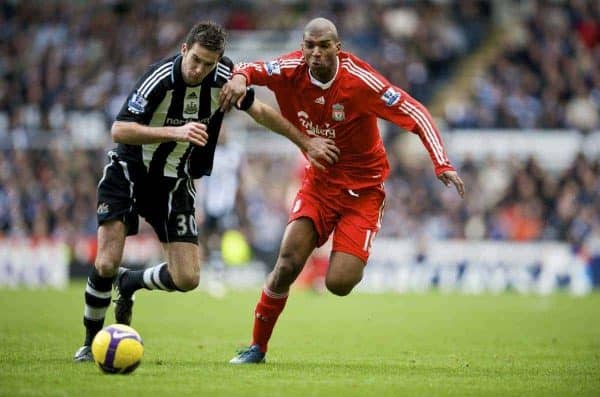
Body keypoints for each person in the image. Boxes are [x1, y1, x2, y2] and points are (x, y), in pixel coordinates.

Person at [73, 21, 340, 362]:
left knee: (187, 278)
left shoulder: (224, 80)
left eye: (208, 63)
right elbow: (119, 129)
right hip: (128, 171)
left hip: (174, 182)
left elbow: (259, 112)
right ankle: (89, 343)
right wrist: (177, 133)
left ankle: (130, 283)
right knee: (107, 260)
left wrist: (305, 143)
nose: (199, 69)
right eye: (195, 59)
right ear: (184, 49)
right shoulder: (160, 78)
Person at [220, 17, 465, 364]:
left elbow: (416, 111)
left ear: (339, 47)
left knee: (339, 283)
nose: (315, 53)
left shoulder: (360, 81)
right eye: (309, 46)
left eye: (323, 46)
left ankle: (355, 245)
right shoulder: (290, 68)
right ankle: (257, 347)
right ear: (303, 47)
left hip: (364, 193)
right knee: (287, 263)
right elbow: (249, 68)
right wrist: (240, 78)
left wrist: (442, 163)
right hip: (319, 184)